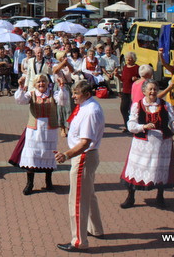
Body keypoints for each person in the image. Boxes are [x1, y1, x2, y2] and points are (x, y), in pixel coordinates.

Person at [54, 80, 105, 252]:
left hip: (83, 157)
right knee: (88, 195)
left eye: (77, 94)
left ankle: (79, 241)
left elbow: (85, 142)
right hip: (85, 156)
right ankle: (95, 228)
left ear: (87, 94)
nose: (74, 96)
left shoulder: (90, 111)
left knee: (77, 201)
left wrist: (66, 155)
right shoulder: (86, 106)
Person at [120, 79, 174, 209]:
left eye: (154, 89)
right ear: (144, 91)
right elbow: (131, 125)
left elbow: (172, 120)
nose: (153, 92)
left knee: (159, 169)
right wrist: (144, 126)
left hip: (161, 144)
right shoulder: (137, 105)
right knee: (135, 169)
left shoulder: (165, 105)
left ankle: (160, 197)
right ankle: (130, 197)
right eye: (150, 89)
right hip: (142, 144)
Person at [10, 75, 68, 195]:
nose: (41, 84)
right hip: (34, 130)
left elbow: (62, 101)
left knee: (49, 154)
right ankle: (30, 183)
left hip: (49, 130)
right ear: (35, 84)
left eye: (43, 82)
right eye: (38, 82)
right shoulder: (31, 94)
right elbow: (20, 101)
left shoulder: (53, 94)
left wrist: (62, 87)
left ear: (47, 83)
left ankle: (48, 181)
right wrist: (21, 87)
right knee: (32, 155)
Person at [119, 52, 140, 133]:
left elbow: (141, 79)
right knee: (123, 109)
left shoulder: (137, 67)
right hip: (125, 91)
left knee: (132, 110)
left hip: (133, 92)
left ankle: (133, 126)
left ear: (133, 59)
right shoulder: (125, 67)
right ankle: (127, 126)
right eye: (127, 58)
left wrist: (136, 79)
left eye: (129, 58)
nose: (128, 59)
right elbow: (123, 79)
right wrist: (117, 75)